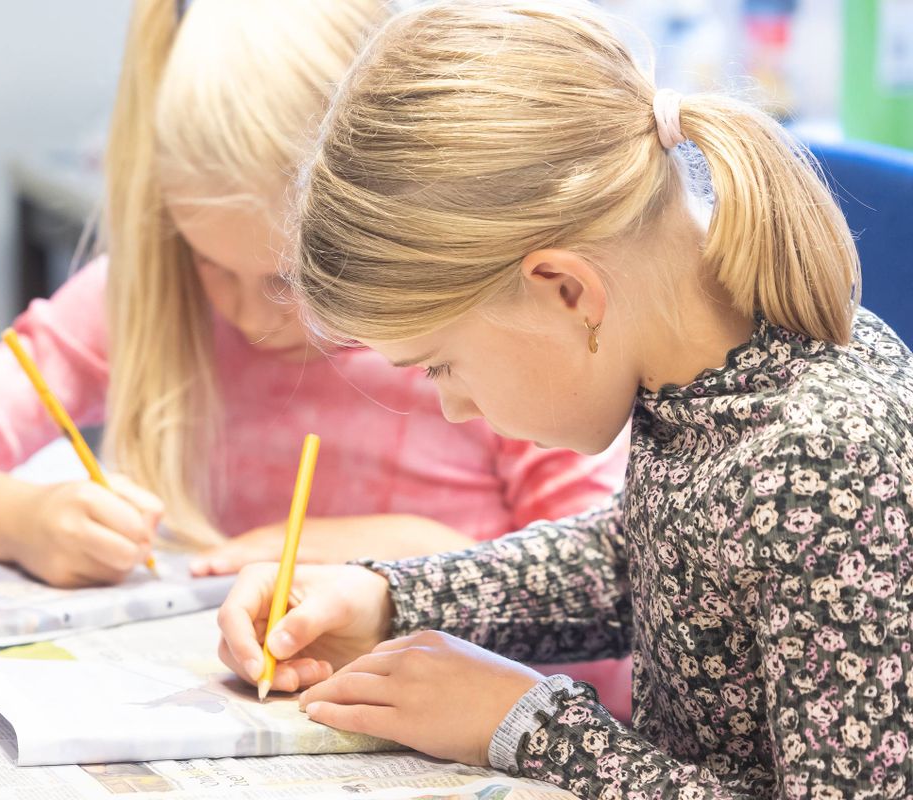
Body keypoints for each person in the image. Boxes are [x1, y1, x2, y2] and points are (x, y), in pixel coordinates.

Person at [215, 2, 913, 798]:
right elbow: (651, 567)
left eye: (442, 366)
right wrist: (389, 597)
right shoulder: (705, 382)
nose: (454, 408)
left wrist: (534, 727)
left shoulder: (830, 455)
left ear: (566, 290)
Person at [0, 0, 623, 600]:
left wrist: (414, 557)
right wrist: (25, 522)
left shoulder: (472, 328)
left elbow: (613, 607)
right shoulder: (151, 294)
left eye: (290, 280)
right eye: (212, 262)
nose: (248, 317)